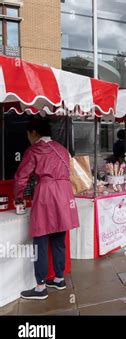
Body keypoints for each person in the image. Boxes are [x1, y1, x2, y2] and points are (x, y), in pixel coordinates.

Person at [14, 118, 79, 300]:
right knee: (59, 237)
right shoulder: (61, 148)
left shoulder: (35, 150)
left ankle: (40, 287)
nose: (28, 138)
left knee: (41, 239)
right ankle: (59, 278)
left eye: (28, 134)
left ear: (34, 132)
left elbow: (21, 177)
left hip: (46, 193)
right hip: (65, 193)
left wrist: (18, 197)